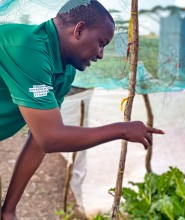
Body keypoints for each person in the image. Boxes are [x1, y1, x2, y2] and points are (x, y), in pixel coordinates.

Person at [0, 0, 164, 219]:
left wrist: (9, 209)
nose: (101, 54)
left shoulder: (65, 71)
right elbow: (51, 138)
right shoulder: (27, 48)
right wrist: (122, 130)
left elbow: (39, 140)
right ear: (79, 30)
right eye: (101, 43)